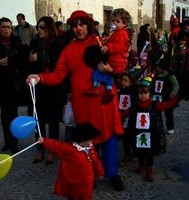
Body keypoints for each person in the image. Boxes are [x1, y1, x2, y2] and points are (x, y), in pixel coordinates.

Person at [27, 10, 124, 191]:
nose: (78, 28)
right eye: (75, 25)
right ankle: (90, 172)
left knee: (109, 138)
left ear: (89, 25)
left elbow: (120, 62)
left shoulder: (101, 42)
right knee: (87, 142)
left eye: (82, 24)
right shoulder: (69, 49)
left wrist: (112, 70)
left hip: (104, 101)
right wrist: (40, 77)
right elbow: (58, 75)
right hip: (83, 104)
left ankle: (113, 174)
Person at [121, 75, 180, 182]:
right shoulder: (134, 106)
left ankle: (149, 170)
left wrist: (177, 97)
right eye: (140, 93)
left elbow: (167, 105)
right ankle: (141, 165)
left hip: (151, 135)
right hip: (137, 133)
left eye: (145, 93)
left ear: (150, 94)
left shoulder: (155, 105)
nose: (143, 95)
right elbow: (124, 114)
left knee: (149, 153)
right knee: (139, 150)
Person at [0, 17, 30, 153]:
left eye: (8, 27)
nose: (6, 29)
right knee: (4, 114)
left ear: (11, 29)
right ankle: (7, 142)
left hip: (14, 83)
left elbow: (25, 60)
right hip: (1, 83)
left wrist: (15, 63)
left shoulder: (17, 41)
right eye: (4, 27)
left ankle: (13, 143)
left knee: (13, 113)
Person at [28, 16, 65, 165]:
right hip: (38, 89)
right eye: (38, 27)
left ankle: (52, 150)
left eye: (42, 27)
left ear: (50, 28)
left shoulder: (58, 45)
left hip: (54, 88)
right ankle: (40, 149)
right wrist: (31, 61)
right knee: (38, 121)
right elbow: (28, 68)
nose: (39, 30)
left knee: (53, 122)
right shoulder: (34, 43)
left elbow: (61, 68)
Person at [38, 123, 105, 200]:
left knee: (86, 196)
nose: (92, 141)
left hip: (88, 181)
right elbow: (56, 145)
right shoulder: (69, 149)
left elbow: (96, 161)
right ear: (83, 139)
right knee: (73, 196)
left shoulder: (91, 148)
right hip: (73, 182)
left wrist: (100, 172)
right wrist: (44, 141)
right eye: (91, 139)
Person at [152, 53, 179, 135]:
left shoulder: (170, 75)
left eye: (158, 67)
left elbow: (176, 85)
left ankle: (170, 127)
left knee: (168, 113)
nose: (156, 68)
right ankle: (158, 126)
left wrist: (173, 93)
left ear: (162, 68)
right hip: (157, 96)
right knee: (157, 112)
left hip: (167, 97)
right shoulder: (156, 75)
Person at [117, 71, 138, 164]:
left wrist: (124, 115)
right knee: (125, 138)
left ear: (131, 82)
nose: (122, 82)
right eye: (122, 80)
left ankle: (135, 154)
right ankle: (127, 155)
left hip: (131, 118)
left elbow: (133, 106)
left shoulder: (134, 93)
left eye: (125, 80)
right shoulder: (120, 92)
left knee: (132, 137)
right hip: (122, 119)